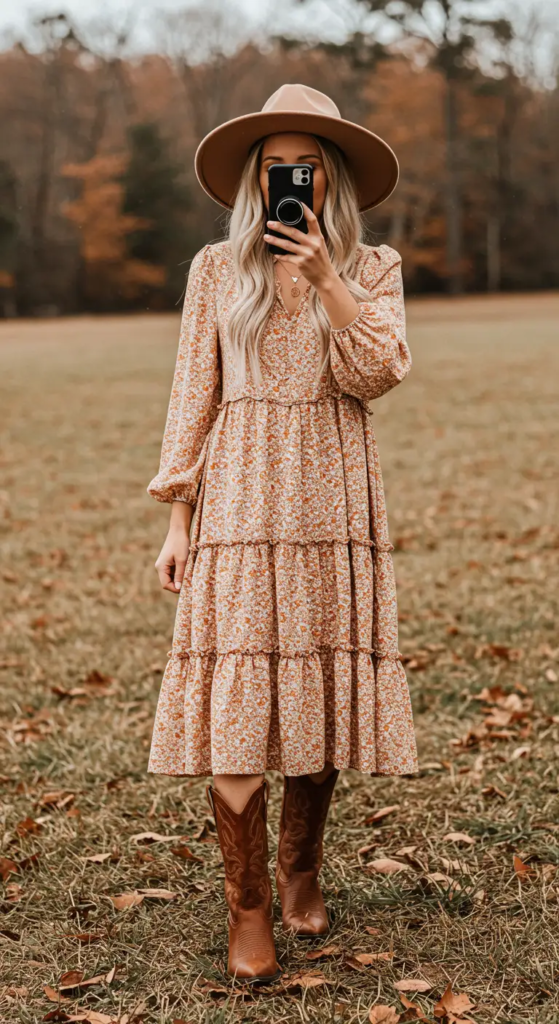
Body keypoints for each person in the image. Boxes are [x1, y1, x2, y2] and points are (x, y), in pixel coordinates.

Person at [146, 83, 418, 985]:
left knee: (315, 688)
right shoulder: (214, 271)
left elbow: (378, 372)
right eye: (273, 168)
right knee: (238, 695)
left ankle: (300, 869)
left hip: (332, 498)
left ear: (331, 177)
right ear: (254, 181)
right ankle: (249, 907)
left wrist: (329, 278)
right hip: (237, 501)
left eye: (305, 167)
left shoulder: (373, 266)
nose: (288, 181)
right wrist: (178, 517)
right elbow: (193, 392)